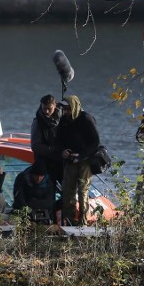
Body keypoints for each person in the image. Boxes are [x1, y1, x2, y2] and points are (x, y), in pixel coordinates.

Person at [55, 94, 101, 226]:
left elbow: (95, 142)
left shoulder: (86, 119)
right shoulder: (64, 120)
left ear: (74, 107)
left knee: (83, 190)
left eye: (68, 109)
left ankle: (83, 221)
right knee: (68, 190)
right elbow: (58, 141)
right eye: (64, 109)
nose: (66, 112)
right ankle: (69, 221)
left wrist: (80, 156)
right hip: (70, 160)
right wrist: (62, 150)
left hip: (85, 159)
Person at [30, 94, 62, 185]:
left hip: (59, 160)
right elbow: (35, 146)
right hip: (44, 162)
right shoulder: (38, 122)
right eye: (44, 109)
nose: (47, 112)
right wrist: (55, 150)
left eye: (49, 109)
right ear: (41, 106)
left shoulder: (62, 118)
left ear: (55, 105)